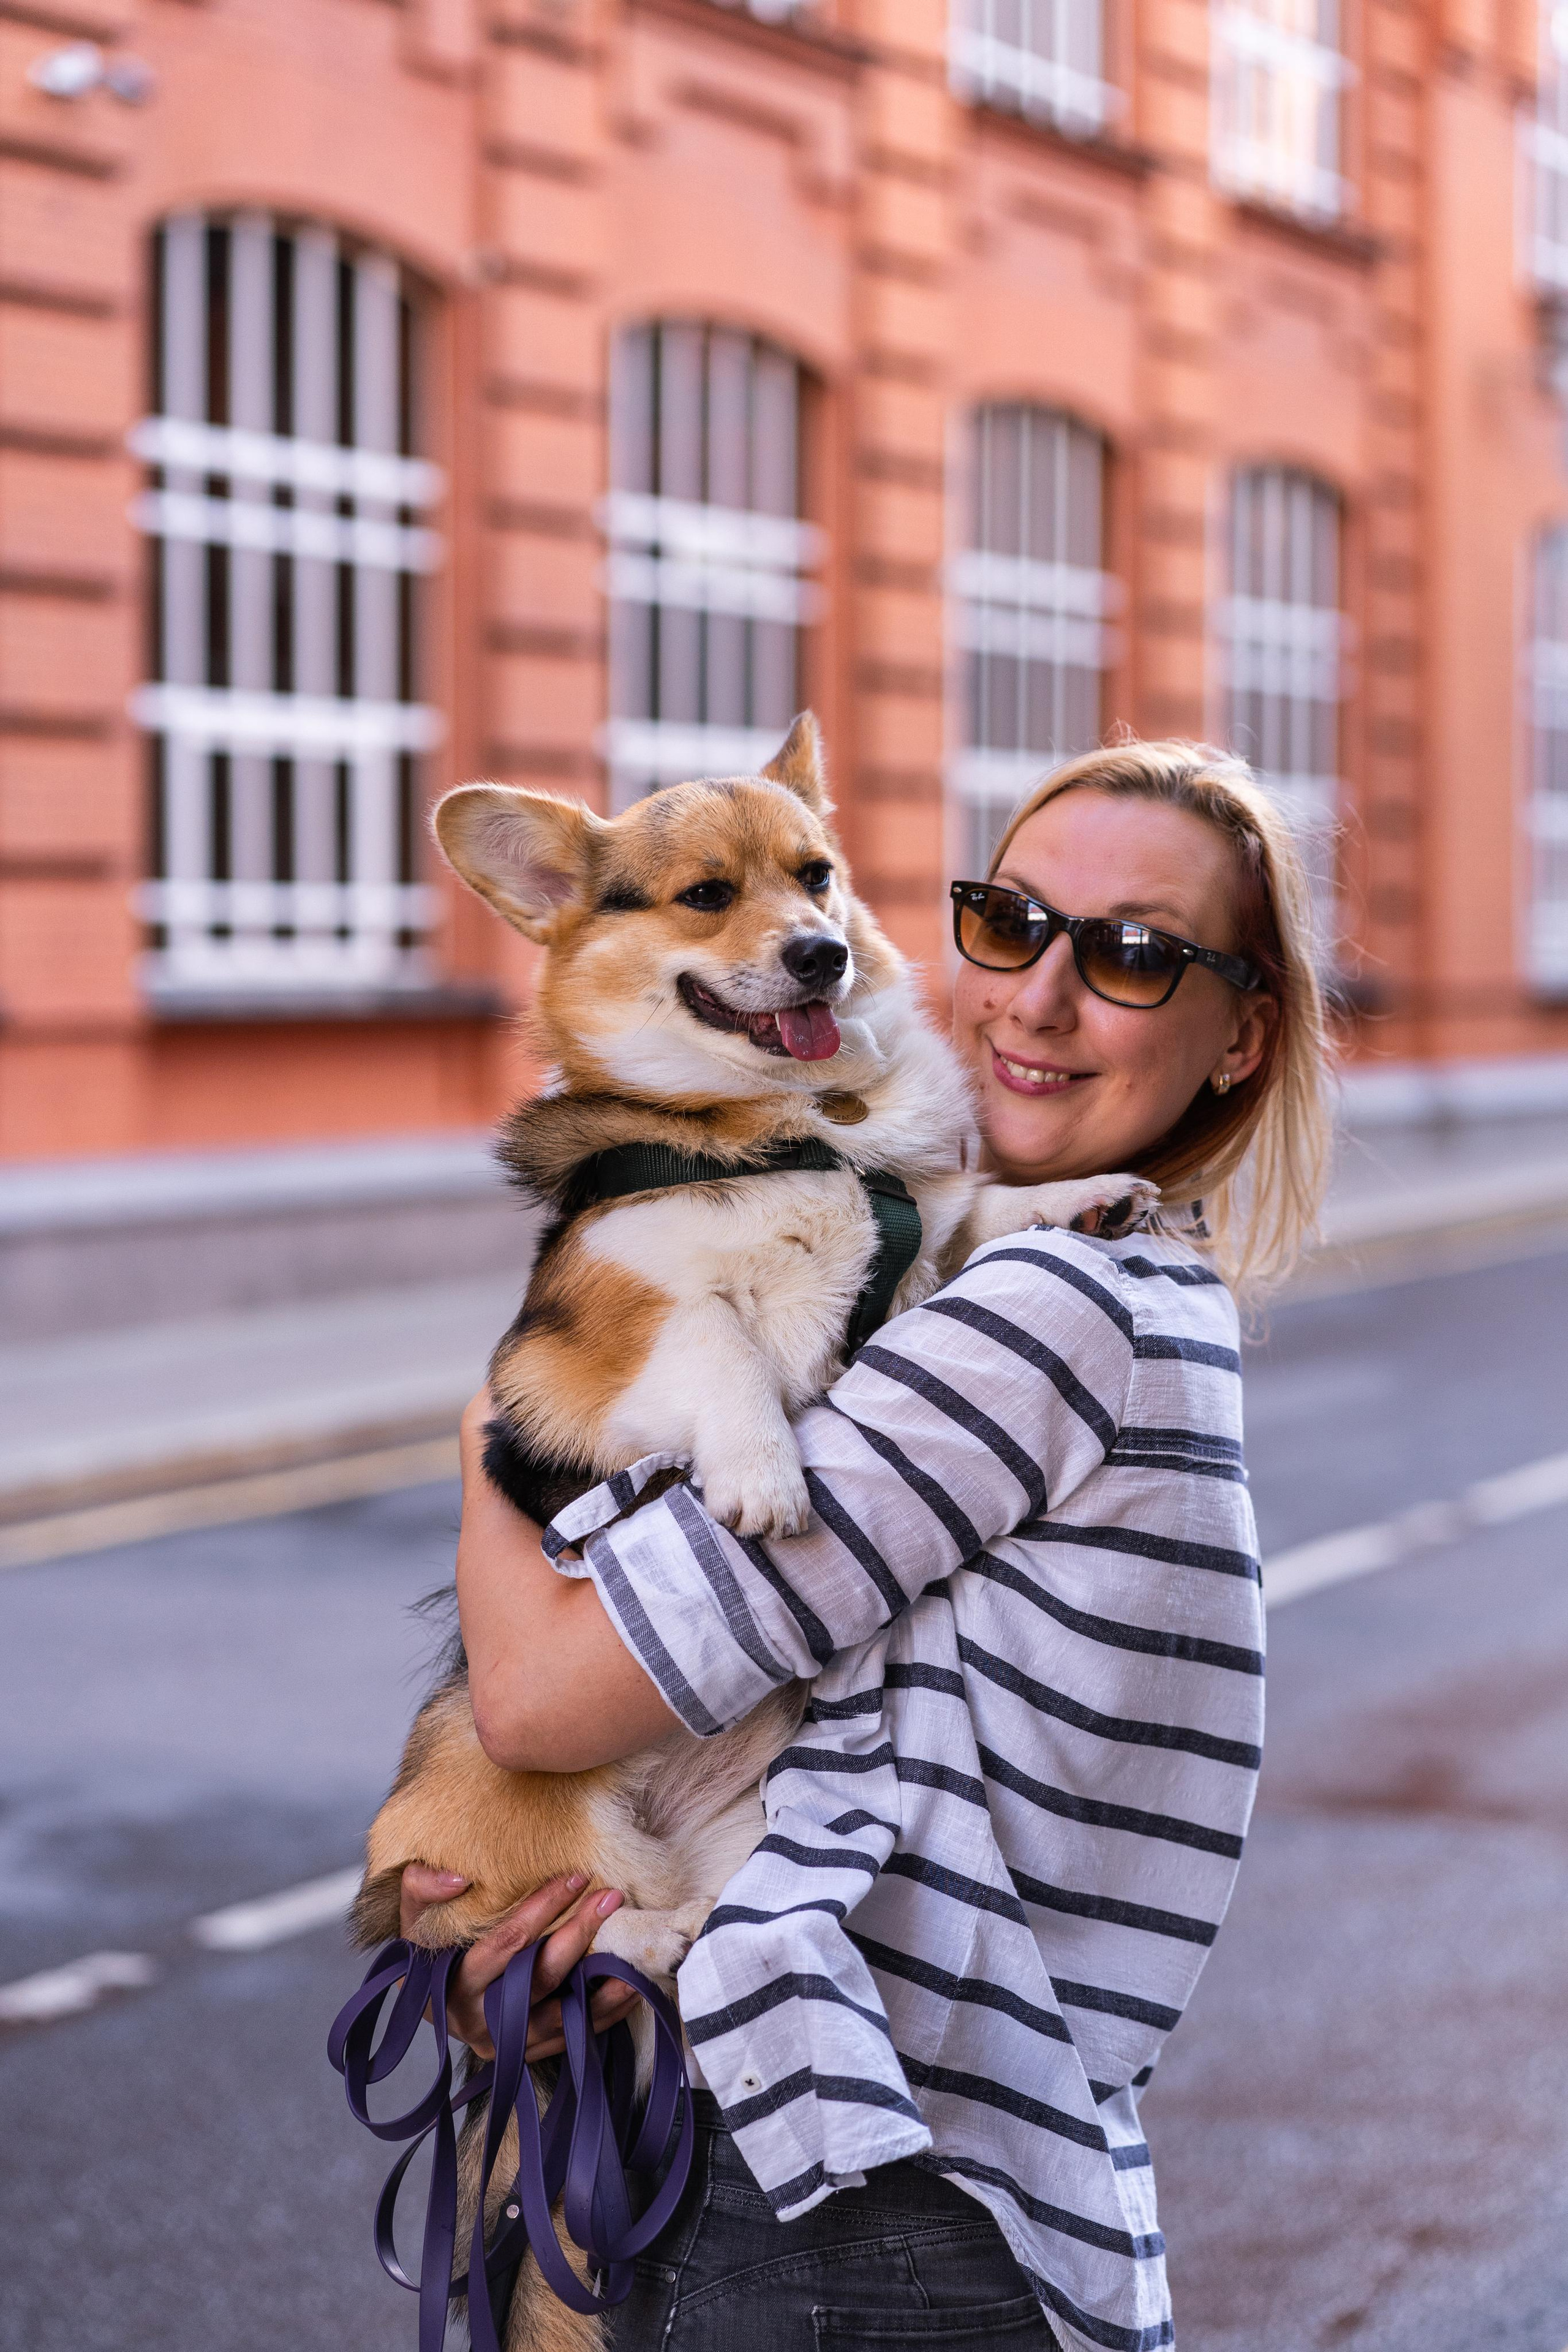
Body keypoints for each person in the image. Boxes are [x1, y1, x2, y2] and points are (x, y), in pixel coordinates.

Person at [399, 739, 1332, 2351]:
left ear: (1243, 1033)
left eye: (1129, 954)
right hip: (950, 2171)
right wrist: (535, 1913)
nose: (1036, 999)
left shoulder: (1055, 1310)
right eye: (1009, 919)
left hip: (847, 2204)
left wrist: (493, 1424)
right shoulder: (1045, 1270)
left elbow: (545, 1702)